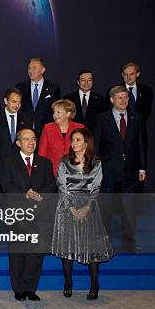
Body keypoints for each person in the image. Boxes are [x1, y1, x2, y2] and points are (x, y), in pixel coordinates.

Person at [51, 128, 114, 300]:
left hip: (89, 206)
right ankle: (68, 282)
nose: (74, 143)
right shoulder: (64, 162)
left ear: (86, 143)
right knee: (67, 245)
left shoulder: (96, 162)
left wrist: (85, 208)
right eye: (72, 140)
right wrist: (72, 208)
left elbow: (96, 187)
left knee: (91, 247)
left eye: (78, 140)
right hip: (66, 207)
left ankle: (94, 284)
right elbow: (61, 186)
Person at [0, 128, 56, 301]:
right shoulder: (9, 162)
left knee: (35, 254)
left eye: (33, 139)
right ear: (18, 143)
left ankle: (30, 289)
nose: (31, 142)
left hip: (39, 215)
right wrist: (25, 194)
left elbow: (51, 186)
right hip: (17, 214)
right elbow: (6, 185)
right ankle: (18, 289)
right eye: (26, 139)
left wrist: (40, 196)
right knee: (17, 253)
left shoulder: (45, 162)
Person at [94, 85, 147, 252]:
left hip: (131, 171)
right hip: (108, 170)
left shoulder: (137, 118)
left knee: (129, 208)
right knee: (106, 207)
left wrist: (142, 168)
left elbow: (141, 144)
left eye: (126, 98)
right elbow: (95, 145)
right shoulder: (101, 119)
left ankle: (130, 243)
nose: (124, 101)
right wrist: (96, 170)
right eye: (120, 98)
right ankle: (104, 242)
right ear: (112, 100)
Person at [0, 88, 33, 189]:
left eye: (19, 102)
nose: (17, 105)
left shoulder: (26, 118)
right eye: (14, 102)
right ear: (6, 101)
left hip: (19, 165)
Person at [38, 99, 84, 176]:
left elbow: (84, 151)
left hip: (74, 171)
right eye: (54, 112)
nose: (54, 115)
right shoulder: (48, 128)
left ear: (68, 114)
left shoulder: (79, 128)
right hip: (53, 172)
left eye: (58, 112)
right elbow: (42, 153)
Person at [15, 58, 61, 135]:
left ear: (42, 70)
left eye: (34, 68)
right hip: (25, 130)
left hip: (46, 130)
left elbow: (56, 110)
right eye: (29, 68)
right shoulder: (20, 87)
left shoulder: (53, 88)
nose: (30, 71)